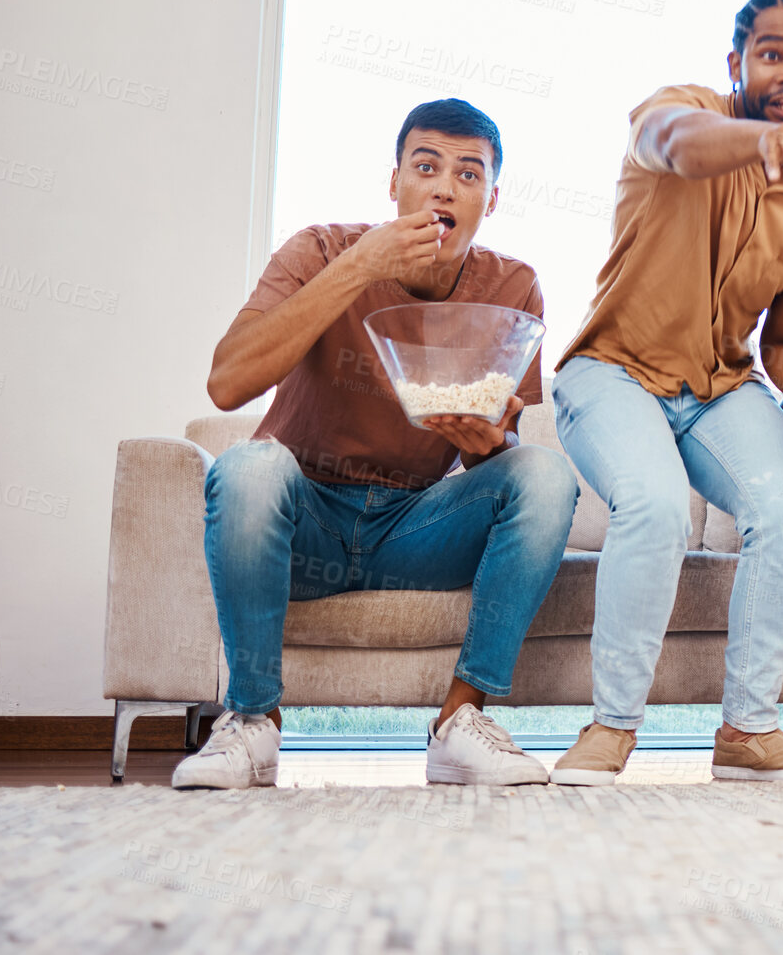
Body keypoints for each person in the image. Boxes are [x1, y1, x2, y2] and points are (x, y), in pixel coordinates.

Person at [173, 98, 580, 790]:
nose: (444, 187)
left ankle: (460, 723)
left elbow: (498, 446)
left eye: (468, 173)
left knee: (545, 474)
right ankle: (252, 723)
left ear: (492, 197)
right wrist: (360, 267)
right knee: (247, 467)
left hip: (414, 528)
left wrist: (487, 443)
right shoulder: (320, 250)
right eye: (425, 166)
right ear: (394, 182)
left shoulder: (513, 288)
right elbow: (226, 382)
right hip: (300, 521)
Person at [548, 0, 783, 786]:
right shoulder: (677, 112)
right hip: (612, 369)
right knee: (654, 505)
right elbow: (680, 144)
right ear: (736, 64)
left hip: (719, 386)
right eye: (773, 53)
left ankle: (747, 732)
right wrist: (762, 146)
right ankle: (613, 727)